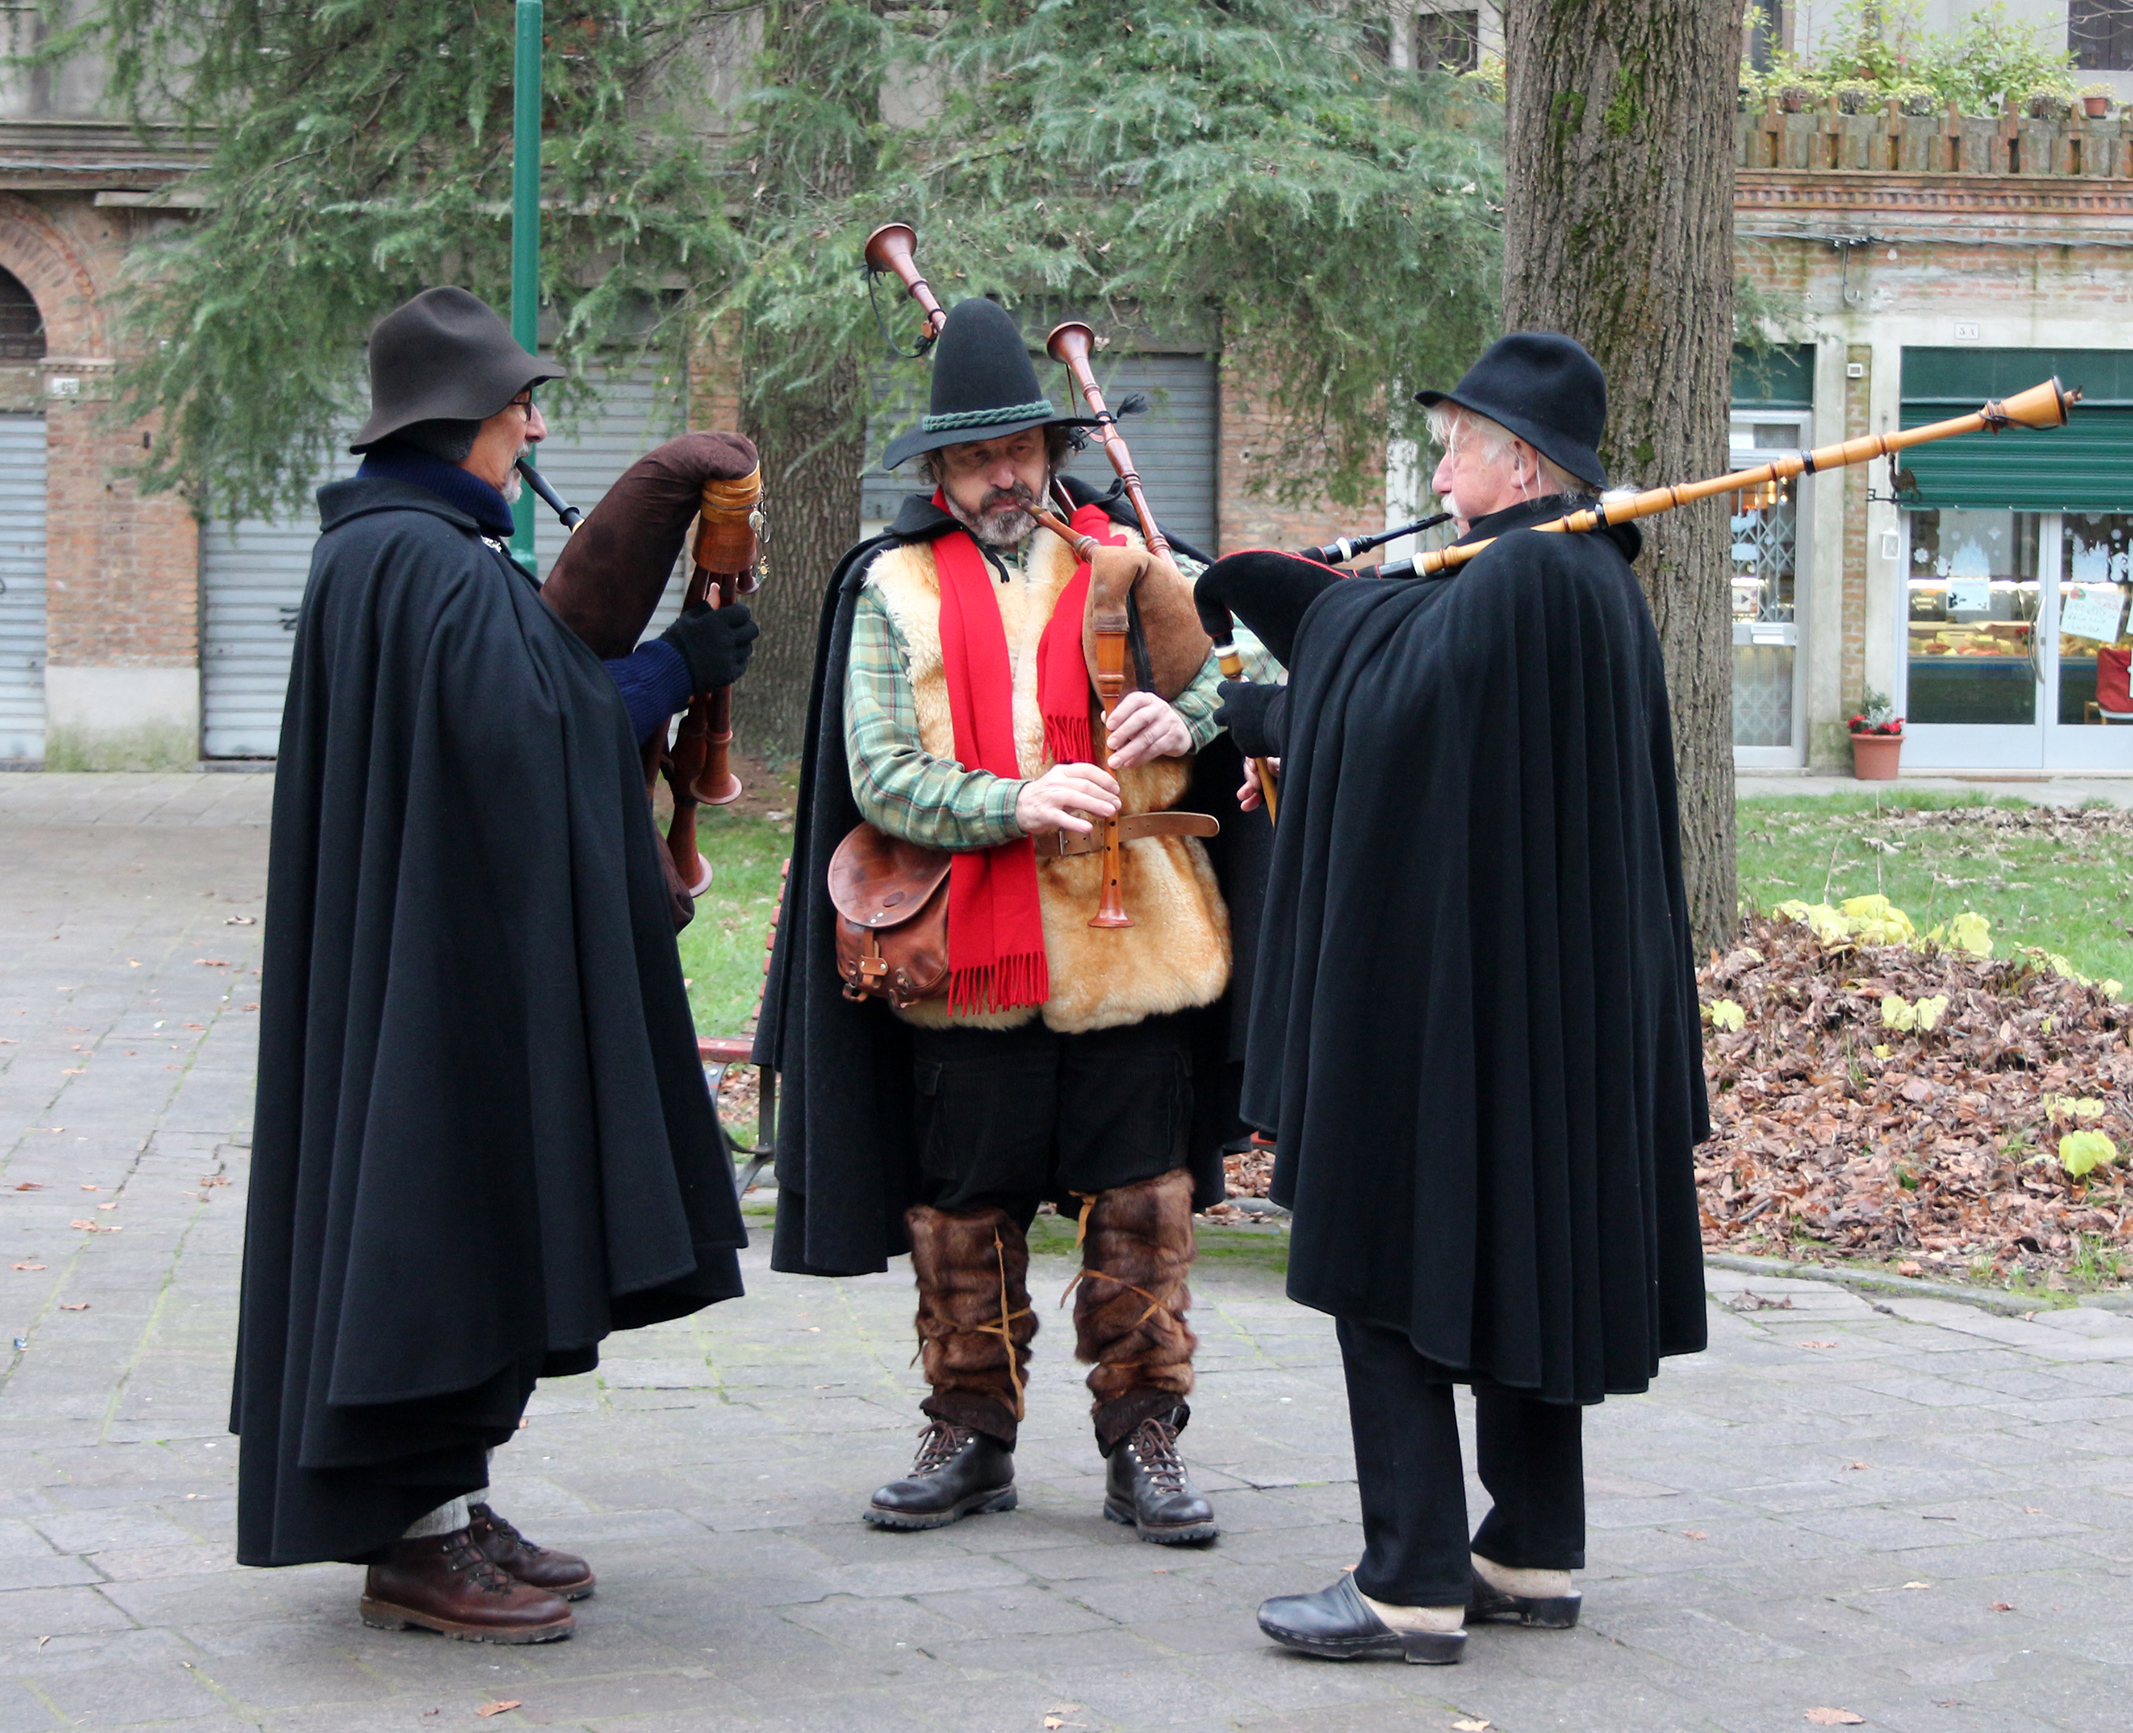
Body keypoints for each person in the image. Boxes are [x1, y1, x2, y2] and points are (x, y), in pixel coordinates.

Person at [234, 287, 759, 1643]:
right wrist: (672, 669)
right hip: (436, 975)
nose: (534, 422)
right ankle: (409, 1535)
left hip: (429, 951)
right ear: (464, 425)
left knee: (446, 1214)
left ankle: (440, 1502)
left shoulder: (400, 551)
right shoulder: (421, 561)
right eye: (519, 404)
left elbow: (517, 703)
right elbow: (537, 735)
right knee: (432, 1214)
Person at [1206, 332, 1709, 1663]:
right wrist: (1283, 686)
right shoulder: (1587, 580)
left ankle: (1409, 1578)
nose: (1438, 463)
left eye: (1455, 443)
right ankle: (1528, 1550)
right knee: (1521, 1250)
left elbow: (1382, 715)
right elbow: (1404, 700)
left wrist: (1291, 658)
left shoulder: (1519, 581)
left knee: (1388, 1248)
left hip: (1445, 1011)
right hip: (1542, 1010)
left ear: (1519, 461)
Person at [755, 296, 1272, 1543]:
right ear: (938, 469)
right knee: (965, 1211)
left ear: (1050, 451)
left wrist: (1187, 720)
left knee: (1143, 1203)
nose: (1004, 476)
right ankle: (971, 1432)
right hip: (966, 950)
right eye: (978, 457)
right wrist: (1017, 798)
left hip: (1131, 945)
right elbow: (877, 775)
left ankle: (1144, 1436)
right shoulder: (889, 589)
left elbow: (1234, 677)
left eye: (1021, 452)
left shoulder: (1135, 564)